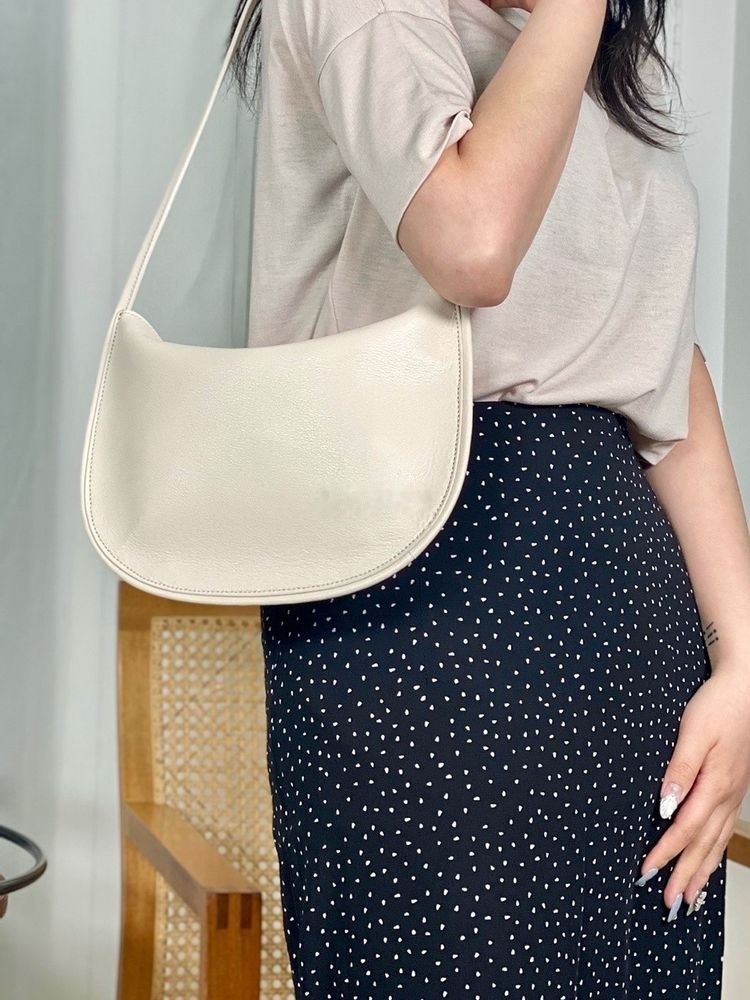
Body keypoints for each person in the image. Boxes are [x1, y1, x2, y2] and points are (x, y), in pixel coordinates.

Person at [228, 0, 750, 995]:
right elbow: (474, 244)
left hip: (632, 637)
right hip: (423, 613)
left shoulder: (592, 47)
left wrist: (745, 663)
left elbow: (661, 367)